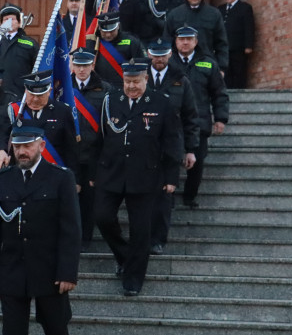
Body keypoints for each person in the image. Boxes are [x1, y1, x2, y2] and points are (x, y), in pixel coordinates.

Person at [0, 120, 81, 335]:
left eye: (28, 145)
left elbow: (70, 229)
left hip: (49, 270)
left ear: (41, 145)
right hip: (12, 269)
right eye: (17, 146)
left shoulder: (60, 178)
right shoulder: (2, 180)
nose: (22, 151)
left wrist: (67, 272)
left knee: (56, 334)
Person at [93, 61, 183, 297]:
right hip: (110, 172)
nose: (131, 86)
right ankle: (124, 256)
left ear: (146, 79)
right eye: (127, 81)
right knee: (102, 217)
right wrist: (93, 172)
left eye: (136, 81)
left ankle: (133, 279)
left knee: (141, 230)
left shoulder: (161, 103)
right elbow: (99, 137)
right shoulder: (111, 101)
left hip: (145, 175)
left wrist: (172, 176)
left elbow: (172, 142)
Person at [146, 38, 200, 255]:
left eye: (163, 54)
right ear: (149, 54)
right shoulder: (137, 77)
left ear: (170, 55)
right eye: (155, 54)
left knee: (164, 197)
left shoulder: (181, 80)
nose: (159, 59)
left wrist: (191, 149)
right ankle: (141, 236)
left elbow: (190, 117)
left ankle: (158, 239)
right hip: (143, 146)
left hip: (169, 147)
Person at [171, 26, 229, 209]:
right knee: (170, 160)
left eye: (189, 39)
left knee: (197, 161)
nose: (185, 42)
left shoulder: (208, 63)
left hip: (199, 121)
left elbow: (219, 93)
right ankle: (168, 196)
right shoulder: (167, 62)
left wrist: (221, 118)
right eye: (182, 39)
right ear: (176, 41)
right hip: (171, 122)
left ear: (196, 42)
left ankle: (190, 196)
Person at [0, 70, 78, 173]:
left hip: (53, 173)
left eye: (40, 95)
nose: (35, 99)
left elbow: (71, 148)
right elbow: (3, 135)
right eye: (32, 95)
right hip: (22, 171)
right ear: (25, 91)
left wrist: (75, 179)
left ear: (49, 91)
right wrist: (1, 150)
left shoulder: (62, 111)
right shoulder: (14, 110)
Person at [69, 49, 109, 251]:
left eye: (85, 65)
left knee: (89, 200)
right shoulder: (62, 88)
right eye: (78, 65)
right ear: (72, 66)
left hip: (94, 154)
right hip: (69, 154)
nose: (82, 69)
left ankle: (86, 238)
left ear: (92, 65)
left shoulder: (105, 89)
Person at [0, 4, 39, 103]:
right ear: (1, 23)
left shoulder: (30, 44)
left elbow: (37, 69)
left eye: (13, 19)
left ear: (19, 23)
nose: (9, 22)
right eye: (6, 19)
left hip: (20, 94)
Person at [163, 0, 229, 72]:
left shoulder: (214, 14)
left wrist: (221, 68)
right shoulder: (175, 14)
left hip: (206, 64)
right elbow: (167, 41)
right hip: (179, 66)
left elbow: (221, 42)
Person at [92, 10, 146, 89]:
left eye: (112, 31)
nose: (108, 34)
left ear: (118, 26)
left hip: (125, 87)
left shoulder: (132, 42)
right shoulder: (94, 42)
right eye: (104, 31)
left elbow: (142, 66)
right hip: (100, 88)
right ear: (99, 28)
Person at [219, 0, 255, 89]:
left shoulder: (244, 8)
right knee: (225, 73)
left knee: (238, 72)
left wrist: (248, 45)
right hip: (224, 48)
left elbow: (249, 27)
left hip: (238, 47)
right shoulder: (220, 9)